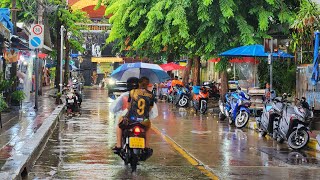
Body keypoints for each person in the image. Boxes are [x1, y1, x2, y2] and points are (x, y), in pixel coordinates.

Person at [109, 77, 158, 153]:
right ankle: (147, 146)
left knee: (119, 125)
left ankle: (118, 145)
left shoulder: (130, 93)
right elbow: (152, 110)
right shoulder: (150, 95)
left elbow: (120, 108)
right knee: (148, 128)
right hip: (143, 121)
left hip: (131, 119)